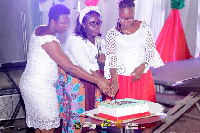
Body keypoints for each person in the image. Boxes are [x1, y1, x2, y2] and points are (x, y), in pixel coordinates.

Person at [19, 4, 110, 133]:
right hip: (40, 89)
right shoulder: (50, 40)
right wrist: (97, 80)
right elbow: (70, 67)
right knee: (48, 129)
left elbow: (39, 56)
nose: (65, 26)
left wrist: (57, 66)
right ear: (52, 21)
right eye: (62, 23)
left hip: (29, 84)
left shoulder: (39, 29)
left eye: (67, 23)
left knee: (39, 128)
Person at [104, 0, 164, 132]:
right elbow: (112, 57)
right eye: (122, 18)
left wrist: (143, 65)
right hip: (122, 80)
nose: (126, 22)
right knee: (122, 122)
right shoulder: (112, 33)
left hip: (142, 79)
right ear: (118, 15)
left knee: (146, 120)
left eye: (129, 18)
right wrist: (114, 79)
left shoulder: (144, 27)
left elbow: (150, 50)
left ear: (134, 14)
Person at [56, 6, 107, 133]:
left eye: (98, 23)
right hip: (78, 87)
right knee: (80, 124)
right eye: (92, 24)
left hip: (95, 85)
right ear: (83, 24)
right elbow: (85, 65)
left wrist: (104, 63)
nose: (96, 27)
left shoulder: (100, 41)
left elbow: (105, 64)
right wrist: (104, 82)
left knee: (94, 124)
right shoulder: (75, 41)